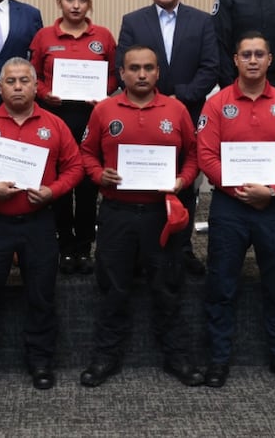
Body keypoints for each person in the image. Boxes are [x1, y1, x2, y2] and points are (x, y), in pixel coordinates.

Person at [0, 58, 83, 391]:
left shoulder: (55, 125)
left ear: (36, 86)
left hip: (38, 223)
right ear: (0, 87)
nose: (19, 86)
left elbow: (75, 168)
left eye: (25, 80)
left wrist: (53, 191)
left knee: (41, 296)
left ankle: (40, 362)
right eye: (11, 81)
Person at [78, 45, 203, 388]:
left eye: (149, 67)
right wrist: (98, 174)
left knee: (167, 288)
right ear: (123, 73)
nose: (142, 74)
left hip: (160, 215)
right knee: (113, 289)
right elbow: (86, 153)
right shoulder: (104, 110)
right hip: (117, 214)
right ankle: (105, 357)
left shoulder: (177, 110)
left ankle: (178, 356)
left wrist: (183, 180)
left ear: (158, 72)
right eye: (134, 68)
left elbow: (193, 156)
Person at [198, 32, 275, 388]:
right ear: (235, 60)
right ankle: (217, 359)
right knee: (221, 286)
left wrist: (273, 191)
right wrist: (240, 190)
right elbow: (206, 156)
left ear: (270, 60)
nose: (253, 60)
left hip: (274, 208)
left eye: (260, 54)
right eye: (246, 54)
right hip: (230, 206)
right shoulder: (216, 105)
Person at [118, 0, 219, 276]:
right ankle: (141, 248)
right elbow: (125, 64)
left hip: (187, 113)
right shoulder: (133, 21)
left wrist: (179, 98)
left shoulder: (202, 21)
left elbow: (210, 67)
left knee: (186, 183)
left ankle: (183, 248)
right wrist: (154, 100)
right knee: (145, 183)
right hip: (142, 116)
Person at [29, 0, 117, 274]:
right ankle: (65, 246)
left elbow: (116, 75)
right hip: (55, 117)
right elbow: (34, 75)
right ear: (59, 3)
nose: (75, 5)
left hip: (92, 118)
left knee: (89, 185)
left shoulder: (103, 36)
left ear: (89, 3)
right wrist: (44, 94)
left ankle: (84, 247)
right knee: (60, 184)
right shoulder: (43, 36)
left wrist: (102, 92)